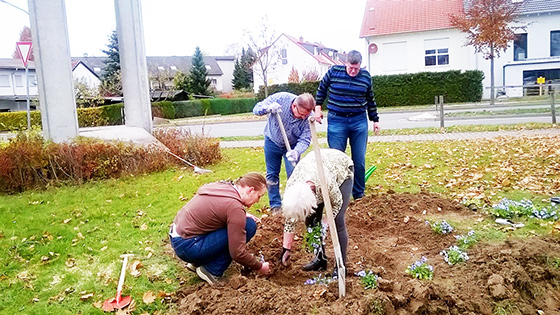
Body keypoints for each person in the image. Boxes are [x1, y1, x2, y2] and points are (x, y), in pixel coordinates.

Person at [169, 172, 271, 285]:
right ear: (250, 190)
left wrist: (242, 215)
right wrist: (259, 266)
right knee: (249, 226)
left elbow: (217, 210)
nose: (258, 201)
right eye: (259, 196)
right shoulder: (234, 208)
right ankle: (211, 271)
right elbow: (237, 253)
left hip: (179, 237)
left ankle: (198, 262)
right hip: (189, 247)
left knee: (237, 224)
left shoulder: (223, 187)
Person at [315, 50, 380, 200]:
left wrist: (375, 119)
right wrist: (318, 108)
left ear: (360, 66)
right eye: (350, 68)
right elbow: (321, 90)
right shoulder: (334, 72)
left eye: (356, 69)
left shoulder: (365, 77)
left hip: (358, 121)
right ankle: (337, 195)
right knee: (336, 160)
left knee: (359, 160)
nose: (353, 71)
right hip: (337, 120)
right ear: (345, 63)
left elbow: (370, 99)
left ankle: (358, 195)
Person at [279, 149, 353, 277]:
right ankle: (320, 260)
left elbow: (337, 203)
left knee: (337, 221)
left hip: (341, 169)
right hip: (313, 171)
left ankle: (341, 266)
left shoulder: (326, 182)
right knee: (312, 221)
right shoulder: (292, 185)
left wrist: (325, 222)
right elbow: (290, 217)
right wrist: (287, 248)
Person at [253, 92, 316, 213]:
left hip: (292, 146)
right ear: (294, 106)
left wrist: (297, 152)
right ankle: (275, 206)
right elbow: (256, 109)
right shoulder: (280, 98)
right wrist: (267, 109)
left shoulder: (308, 117)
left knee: (294, 176)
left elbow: (306, 138)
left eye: (306, 115)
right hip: (272, 141)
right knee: (272, 175)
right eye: (301, 114)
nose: (304, 118)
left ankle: (294, 206)